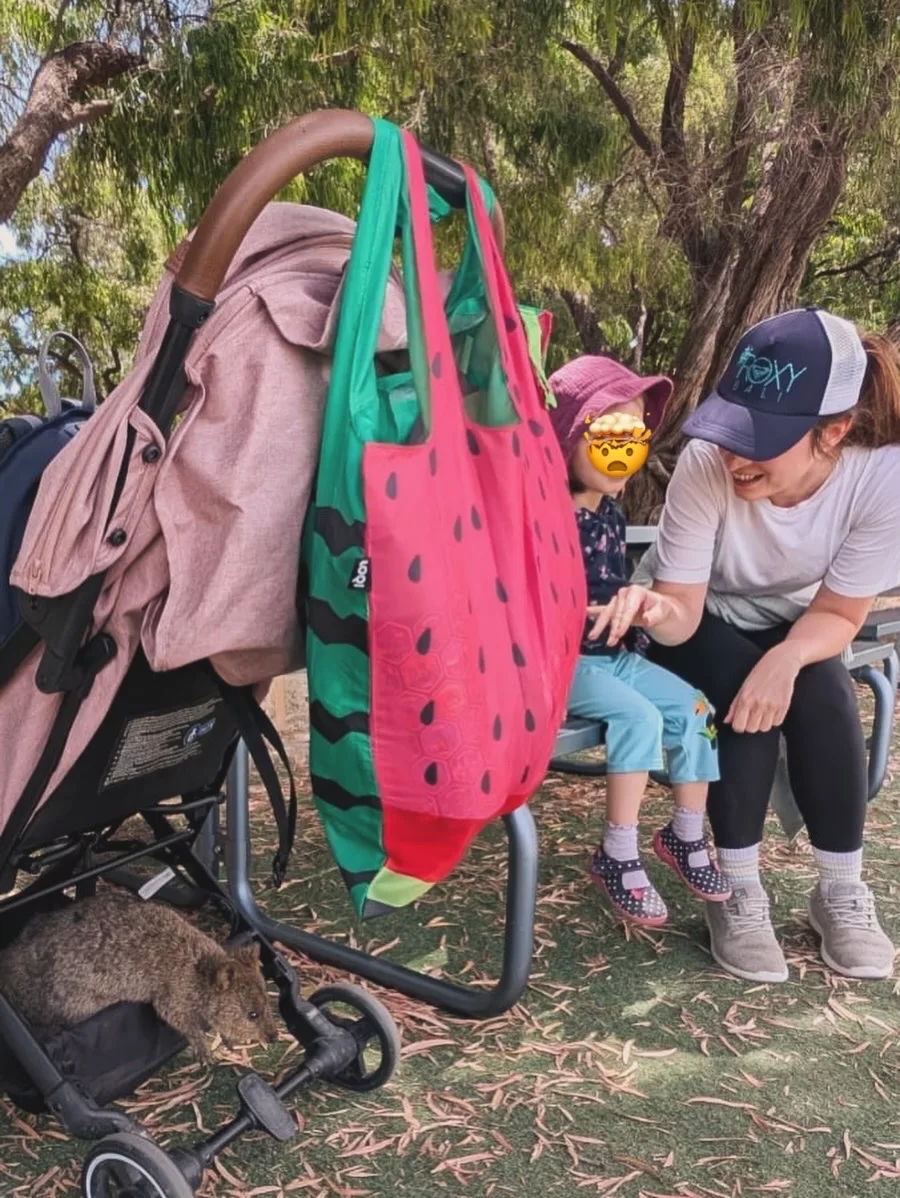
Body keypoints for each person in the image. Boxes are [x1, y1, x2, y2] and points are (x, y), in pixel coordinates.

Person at [594, 308, 900, 981]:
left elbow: (839, 614)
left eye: (759, 440)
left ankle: (841, 891)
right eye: (732, 430)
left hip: (797, 621)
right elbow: (682, 610)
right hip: (694, 618)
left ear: (834, 432)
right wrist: (652, 607)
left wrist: (788, 658)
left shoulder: (882, 476)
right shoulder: (707, 464)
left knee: (820, 684)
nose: (735, 457)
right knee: (741, 687)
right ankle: (734, 887)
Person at [548, 355, 730, 928]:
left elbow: (618, 585)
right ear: (571, 434)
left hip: (617, 655)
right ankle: (618, 851)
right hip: (565, 662)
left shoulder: (610, 514)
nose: (623, 450)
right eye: (610, 433)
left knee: (697, 709)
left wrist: (639, 607)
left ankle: (685, 835)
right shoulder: (540, 514)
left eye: (635, 436)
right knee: (639, 720)